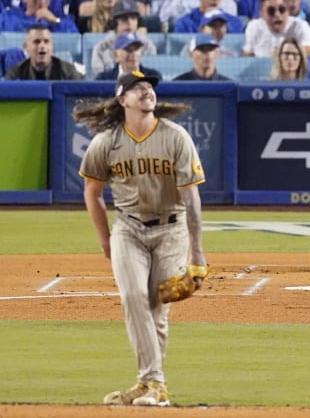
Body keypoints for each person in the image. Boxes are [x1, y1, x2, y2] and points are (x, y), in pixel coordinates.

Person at [73, 70, 208, 407]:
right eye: (138, 88)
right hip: (128, 229)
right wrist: (106, 240)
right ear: (122, 100)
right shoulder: (106, 142)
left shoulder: (176, 137)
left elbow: (191, 198)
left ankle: (147, 384)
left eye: (149, 86)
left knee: (157, 307)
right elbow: (92, 192)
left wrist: (198, 253)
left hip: (171, 229)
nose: (147, 90)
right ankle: (155, 386)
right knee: (133, 296)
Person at [91, 0, 157, 79]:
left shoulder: (147, 44)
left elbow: (149, 72)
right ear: (115, 23)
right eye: (124, 19)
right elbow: (99, 79)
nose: (129, 22)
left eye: (133, 18)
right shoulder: (101, 47)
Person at [241, 0, 310, 57]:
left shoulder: (300, 25)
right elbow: (247, 54)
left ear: (288, 11)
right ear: (262, 14)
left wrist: (285, 52)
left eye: (282, 9)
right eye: (271, 11)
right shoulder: (253, 26)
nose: (277, 14)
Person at [5, 24, 83, 80]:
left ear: (52, 46)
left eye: (46, 41)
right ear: (26, 47)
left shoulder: (68, 72)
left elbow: (76, 101)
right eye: (37, 42)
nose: (42, 46)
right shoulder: (15, 74)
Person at [95, 32, 162, 80]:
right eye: (128, 49)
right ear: (116, 55)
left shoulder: (153, 77)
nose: (134, 54)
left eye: (136, 49)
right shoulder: (103, 79)